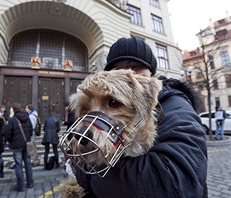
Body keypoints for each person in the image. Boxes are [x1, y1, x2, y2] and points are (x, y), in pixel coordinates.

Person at [74, 37, 208, 197]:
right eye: (116, 69)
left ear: (151, 72)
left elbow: (175, 184)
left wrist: (90, 175)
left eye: (134, 67)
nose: (127, 73)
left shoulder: (176, 105)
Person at [5, 102, 34, 192]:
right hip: (26, 143)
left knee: (18, 165)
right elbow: (30, 129)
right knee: (28, 164)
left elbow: (8, 133)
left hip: (17, 145)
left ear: (13, 110)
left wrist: (10, 141)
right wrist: (27, 139)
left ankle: (20, 185)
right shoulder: (27, 117)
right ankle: (30, 183)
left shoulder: (13, 119)